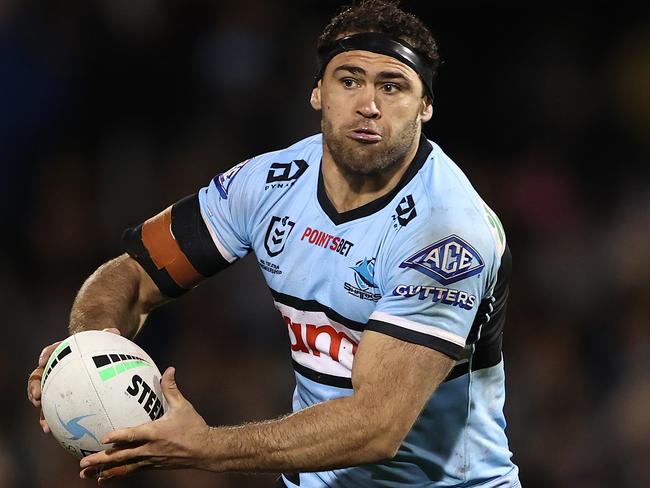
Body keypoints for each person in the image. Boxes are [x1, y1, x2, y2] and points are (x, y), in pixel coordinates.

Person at [27, 1, 520, 486]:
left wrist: (204, 448)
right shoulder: (269, 183)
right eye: (349, 81)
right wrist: (87, 348)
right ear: (317, 93)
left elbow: (377, 426)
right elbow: (134, 273)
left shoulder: (446, 235)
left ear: (426, 106)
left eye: (392, 87)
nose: (369, 105)